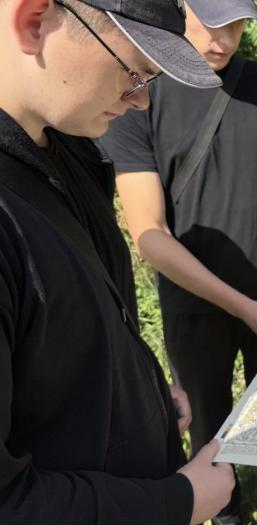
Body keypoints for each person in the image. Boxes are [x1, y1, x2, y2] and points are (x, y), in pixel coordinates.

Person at [0, 0, 236, 524]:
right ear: (33, 21)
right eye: (134, 72)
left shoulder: (65, 148)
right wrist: (178, 504)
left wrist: (141, 392)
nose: (143, 101)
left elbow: (70, 333)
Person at [100, 1, 257, 522]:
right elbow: (149, 234)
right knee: (209, 428)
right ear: (181, 9)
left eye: (236, 25)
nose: (224, 39)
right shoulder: (140, 94)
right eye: (211, 24)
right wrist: (243, 306)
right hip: (194, 303)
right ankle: (227, 514)